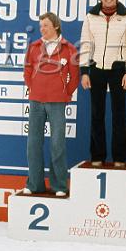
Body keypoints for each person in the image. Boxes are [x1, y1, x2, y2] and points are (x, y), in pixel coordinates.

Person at [80, 0, 126, 168]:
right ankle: (97, 156)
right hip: (96, 69)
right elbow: (85, 44)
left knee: (119, 115)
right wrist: (84, 72)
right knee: (96, 114)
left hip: (118, 70)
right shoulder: (90, 17)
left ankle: (119, 158)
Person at [23, 12, 79, 196]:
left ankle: (59, 186)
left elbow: (75, 77)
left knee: (57, 144)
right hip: (36, 101)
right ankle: (34, 184)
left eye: (45, 25)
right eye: (40, 26)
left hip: (57, 102)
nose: (42, 29)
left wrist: (65, 92)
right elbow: (27, 72)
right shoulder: (33, 47)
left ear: (56, 26)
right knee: (33, 144)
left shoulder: (69, 49)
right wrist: (34, 89)